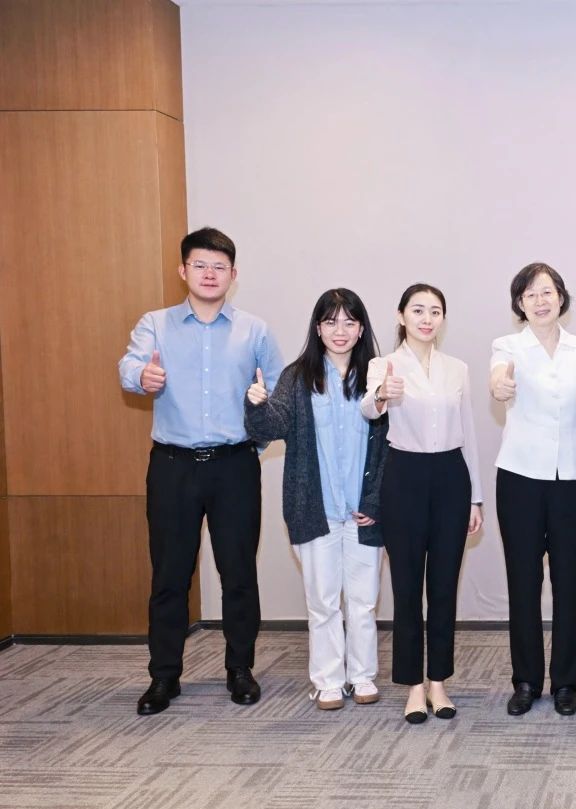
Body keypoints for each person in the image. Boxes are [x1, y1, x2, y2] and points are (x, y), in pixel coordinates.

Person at [118, 226, 283, 715]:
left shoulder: (255, 330)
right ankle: (164, 676)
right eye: (200, 265)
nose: (210, 274)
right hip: (173, 467)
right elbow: (129, 367)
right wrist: (142, 376)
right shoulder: (156, 324)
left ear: (233, 274)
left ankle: (240, 669)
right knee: (169, 576)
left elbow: (277, 396)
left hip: (234, 468)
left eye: (219, 267)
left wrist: (256, 435)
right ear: (183, 270)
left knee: (239, 574)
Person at [244, 288, 387, 711]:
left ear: (361, 329)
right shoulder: (297, 377)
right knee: (323, 602)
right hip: (315, 510)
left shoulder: (378, 377)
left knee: (363, 603)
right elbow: (268, 428)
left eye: (349, 322)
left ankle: (362, 676)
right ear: (318, 328)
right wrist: (256, 404)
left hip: (364, 513)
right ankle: (328, 680)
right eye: (330, 322)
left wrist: (376, 501)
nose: (340, 330)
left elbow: (391, 446)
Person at [361, 283, 483, 724]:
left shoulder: (457, 368)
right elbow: (368, 409)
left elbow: (469, 433)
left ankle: (439, 682)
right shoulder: (384, 365)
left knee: (444, 586)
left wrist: (476, 497)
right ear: (401, 316)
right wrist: (382, 394)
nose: (427, 319)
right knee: (408, 586)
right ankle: (413, 686)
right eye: (418, 310)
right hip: (404, 477)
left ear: (442, 319)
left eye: (435, 311)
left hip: (451, 476)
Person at [489, 263, 576, 717]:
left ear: (561, 297)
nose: (540, 301)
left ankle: (565, 682)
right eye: (531, 294)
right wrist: (500, 385)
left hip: (573, 479)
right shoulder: (507, 346)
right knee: (522, 582)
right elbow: (498, 381)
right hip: (519, 478)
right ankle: (525, 680)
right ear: (520, 303)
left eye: (548, 292)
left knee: (569, 583)